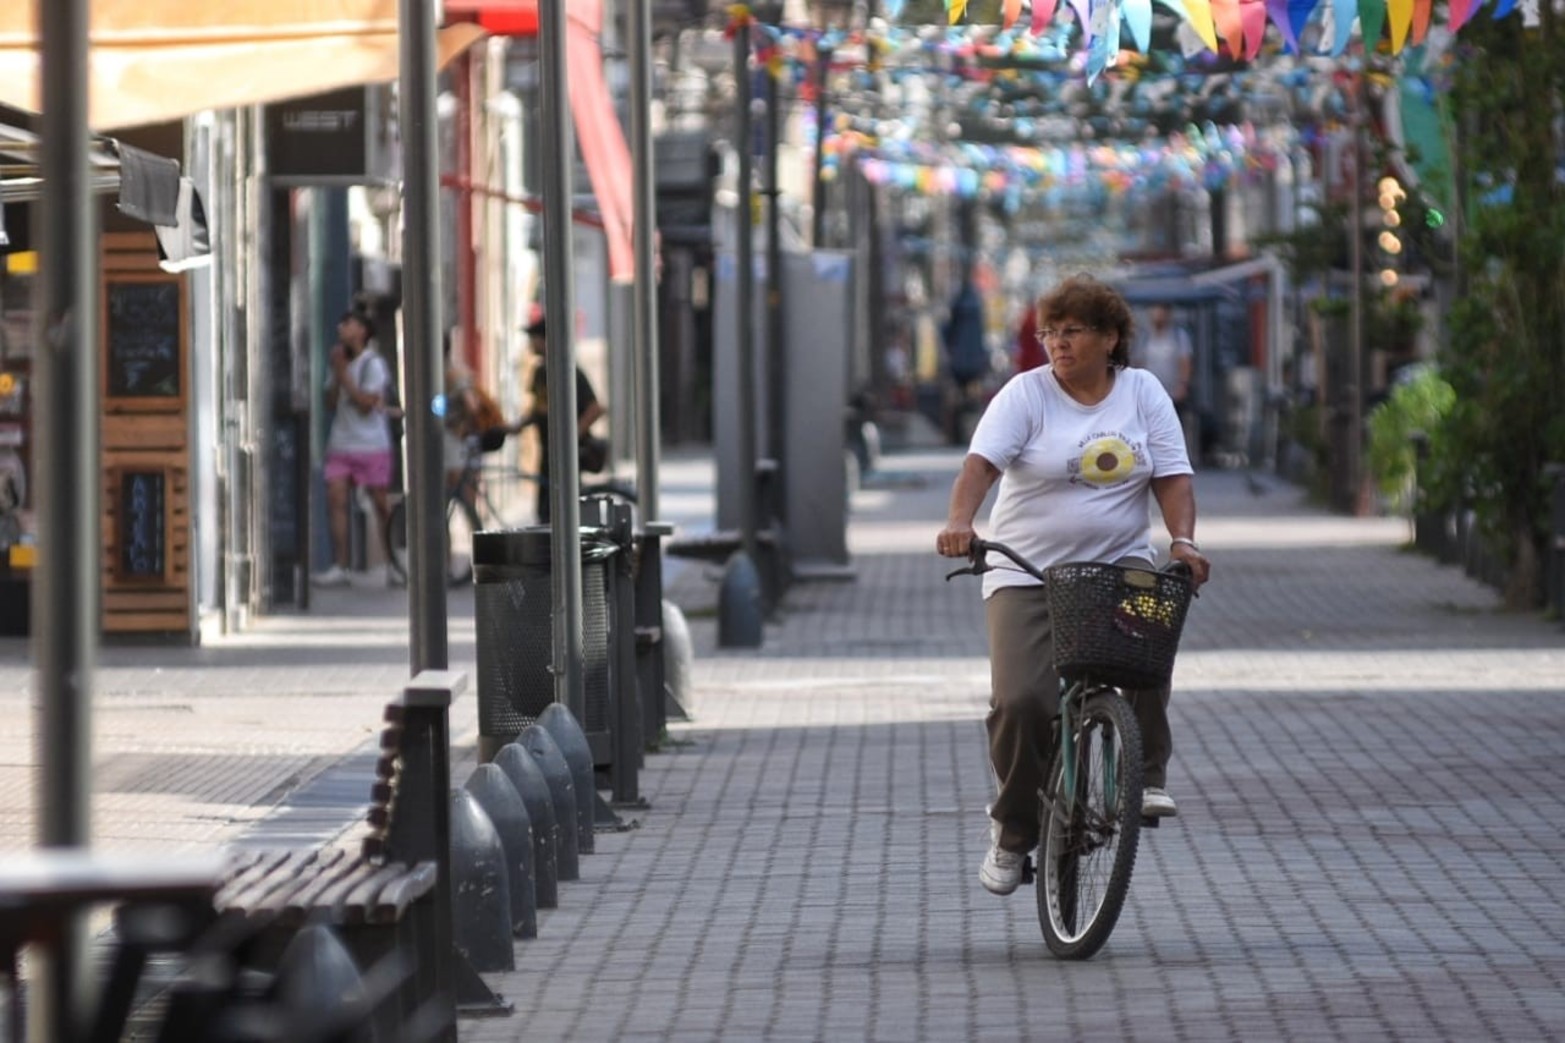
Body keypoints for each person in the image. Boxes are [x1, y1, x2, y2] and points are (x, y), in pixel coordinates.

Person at [934, 275, 1211, 897]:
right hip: (1025, 570)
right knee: (1022, 702)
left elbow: (1173, 476)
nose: (1058, 343)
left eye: (1072, 331)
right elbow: (979, 466)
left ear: (1110, 338)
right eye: (1050, 332)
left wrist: (1184, 542)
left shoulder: (1142, 393)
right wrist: (960, 523)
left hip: (1118, 562)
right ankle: (1012, 830)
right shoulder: (1025, 395)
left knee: (1150, 637)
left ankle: (1145, 776)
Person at [314, 309, 395, 588]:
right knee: (335, 499)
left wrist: (343, 374)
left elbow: (365, 405)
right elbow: (330, 402)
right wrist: (337, 376)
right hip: (341, 442)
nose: (341, 327)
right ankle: (341, 565)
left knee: (381, 504)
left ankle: (392, 562)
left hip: (372, 444)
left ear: (362, 330)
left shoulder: (374, 364)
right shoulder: (338, 360)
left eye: (347, 323)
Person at [509, 312, 605, 524]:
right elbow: (538, 410)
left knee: (564, 509)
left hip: (567, 452)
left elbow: (596, 408)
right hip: (546, 451)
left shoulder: (568, 371)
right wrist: (515, 427)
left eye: (533, 338)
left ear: (544, 340)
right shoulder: (539, 372)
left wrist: (573, 435)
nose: (530, 343)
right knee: (545, 511)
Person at [1133, 303, 1194, 415]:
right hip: (1150, 395)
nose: (1157, 314)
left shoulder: (1179, 336)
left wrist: (1183, 385)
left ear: (1168, 314)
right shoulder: (1144, 337)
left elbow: (1185, 361)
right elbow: (1138, 363)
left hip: (1174, 394)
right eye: (1154, 310)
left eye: (1161, 310)